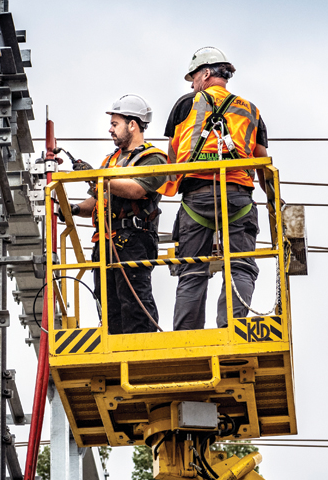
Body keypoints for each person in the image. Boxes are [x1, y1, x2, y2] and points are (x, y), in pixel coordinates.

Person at [161, 46, 274, 330]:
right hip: (238, 196)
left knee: (192, 271)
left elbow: (172, 155)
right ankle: (231, 329)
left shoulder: (186, 104)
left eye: (194, 78)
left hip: (196, 197)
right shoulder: (250, 110)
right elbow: (262, 161)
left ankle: (186, 335)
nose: (192, 84)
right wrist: (274, 201)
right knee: (241, 266)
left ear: (206, 74)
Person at [56, 94, 169, 334]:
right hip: (105, 243)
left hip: (133, 240)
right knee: (108, 309)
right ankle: (116, 348)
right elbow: (99, 199)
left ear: (132, 124)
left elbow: (136, 190)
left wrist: (97, 177)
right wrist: (74, 209)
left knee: (135, 304)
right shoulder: (111, 162)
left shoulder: (153, 158)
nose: (110, 129)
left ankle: (141, 348)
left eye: (115, 124)